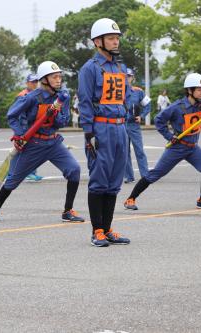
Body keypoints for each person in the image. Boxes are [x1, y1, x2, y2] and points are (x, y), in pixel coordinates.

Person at [0, 61, 84, 223]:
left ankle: (67, 211)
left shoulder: (62, 97)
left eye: (60, 76)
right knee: (12, 180)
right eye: (54, 77)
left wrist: (56, 112)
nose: (59, 80)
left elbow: (62, 122)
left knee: (74, 170)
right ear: (44, 79)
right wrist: (19, 135)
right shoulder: (31, 97)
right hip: (32, 144)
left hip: (53, 143)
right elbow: (12, 115)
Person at [123, 73, 201, 211]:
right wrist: (169, 136)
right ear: (189, 90)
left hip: (193, 148)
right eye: (199, 89)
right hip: (177, 147)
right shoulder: (176, 107)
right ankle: (130, 199)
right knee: (154, 174)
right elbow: (158, 120)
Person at [78, 17, 131, 247]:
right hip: (101, 128)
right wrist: (89, 133)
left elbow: (125, 97)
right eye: (111, 38)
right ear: (97, 42)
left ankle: (108, 229)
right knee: (99, 180)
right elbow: (85, 101)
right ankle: (96, 230)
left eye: (117, 37)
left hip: (121, 128)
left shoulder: (120, 67)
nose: (115, 41)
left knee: (114, 181)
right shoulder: (90, 69)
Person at [124, 68, 151, 183]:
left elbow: (148, 104)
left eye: (129, 76)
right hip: (121, 125)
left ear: (132, 78)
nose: (127, 78)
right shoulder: (117, 92)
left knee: (139, 150)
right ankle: (129, 176)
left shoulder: (138, 91)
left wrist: (142, 116)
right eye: (125, 76)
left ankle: (145, 176)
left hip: (134, 125)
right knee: (124, 152)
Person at [18, 73, 44, 181]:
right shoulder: (22, 95)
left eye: (36, 82)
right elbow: (19, 114)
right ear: (27, 83)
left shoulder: (38, 94)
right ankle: (26, 173)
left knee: (35, 150)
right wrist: (23, 130)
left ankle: (32, 172)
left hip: (35, 127)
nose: (35, 84)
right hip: (26, 128)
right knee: (26, 151)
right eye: (32, 82)